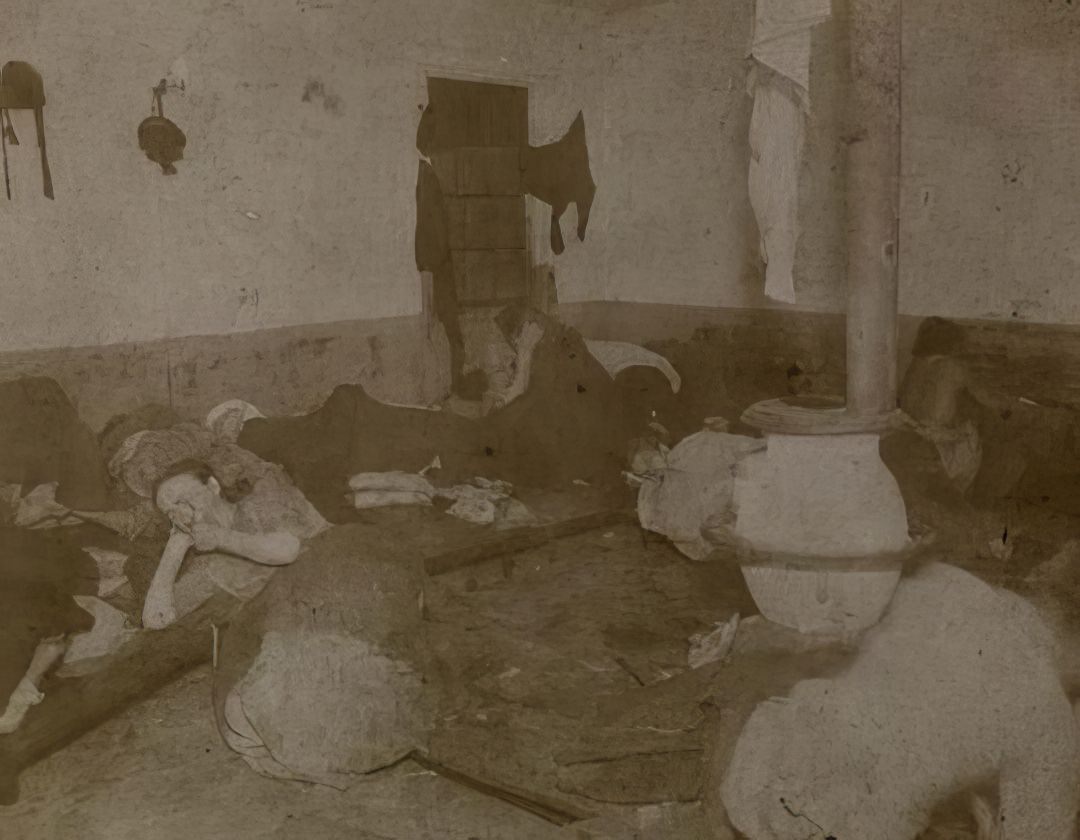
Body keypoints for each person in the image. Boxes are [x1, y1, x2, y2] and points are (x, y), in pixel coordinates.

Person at [142, 457, 329, 629]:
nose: (181, 514)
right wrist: (175, 547)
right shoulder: (206, 562)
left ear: (213, 486)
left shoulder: (258, 502)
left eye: (182, 500)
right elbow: (156, 621)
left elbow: (288, 550)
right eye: (170, 513)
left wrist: (220, 537)